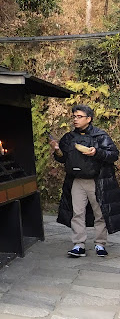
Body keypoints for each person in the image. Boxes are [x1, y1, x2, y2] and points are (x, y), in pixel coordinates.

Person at [50, 104, 120, 258]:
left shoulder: (100, 136)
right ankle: (78, 245)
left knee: (100, 213)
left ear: (89, 119)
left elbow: (114, 155)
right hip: (77, 180)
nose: (75, 119)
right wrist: (56, 150)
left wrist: (97, 152)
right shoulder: (69, 137)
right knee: (77, 213)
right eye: (74, 116)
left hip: (97, 180)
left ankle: (100, 244)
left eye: (79, 116)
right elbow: (62, 158)